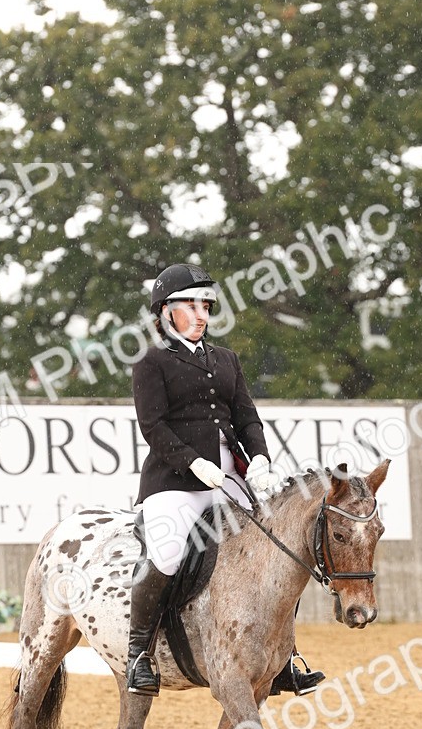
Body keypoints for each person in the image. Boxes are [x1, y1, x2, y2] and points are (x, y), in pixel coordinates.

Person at [126, 261, 325, 697]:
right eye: (191, 306)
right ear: (165, 312)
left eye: (206, 306)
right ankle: (138, 653)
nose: (201, 314)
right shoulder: (151, 361)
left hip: (232, 477)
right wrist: (193, 464)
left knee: (279, 549)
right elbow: (154, 426)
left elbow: (246, 416)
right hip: (176, 481)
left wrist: (258, 458)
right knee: (168, 552)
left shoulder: (225, 360)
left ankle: (284, 657)